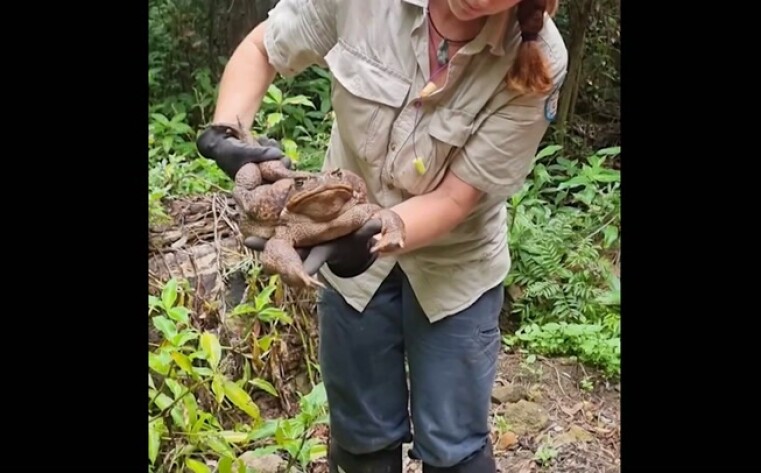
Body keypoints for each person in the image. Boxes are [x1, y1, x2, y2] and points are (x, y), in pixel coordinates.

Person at [196, 0, 568, 471]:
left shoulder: (539, 59)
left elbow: (457, 198)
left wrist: (370, 234)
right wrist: (230, 130)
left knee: (453, 444)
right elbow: (264, 50)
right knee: (361, 435)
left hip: (453, 266)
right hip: (339, 233)